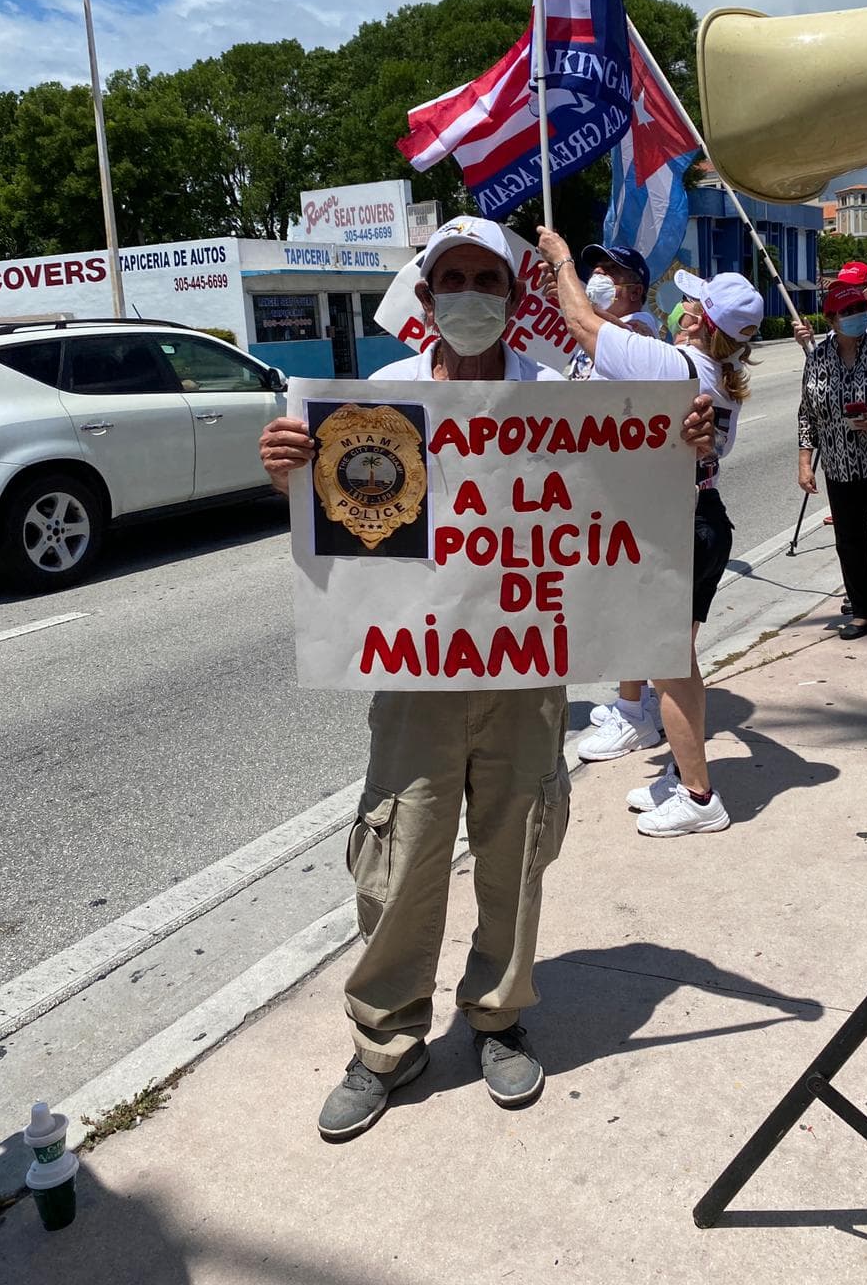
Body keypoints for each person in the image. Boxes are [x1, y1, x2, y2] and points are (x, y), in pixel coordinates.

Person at [259, 215, 717, 1137]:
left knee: (517, 850)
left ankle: (499, 1017)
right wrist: (288, 473)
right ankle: (385, 1040)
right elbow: (345, 518)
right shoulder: (380, 394)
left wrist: (683, 442)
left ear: (515, 299)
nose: (471, 294)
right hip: (416, 674)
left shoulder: (558, 394)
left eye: (489, 280)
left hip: (525, 671)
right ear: (425, 299)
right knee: (400, 853)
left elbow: (625, 491)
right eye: (453, 279)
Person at [538, 224, 763, 837]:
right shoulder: (716, 370)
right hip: (696, 518)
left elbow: (584, 324)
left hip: (678, 524)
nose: (682, 304)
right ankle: (682, 775)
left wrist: (561, 259)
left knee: (670, 665)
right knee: (668, 657)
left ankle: (698, 796)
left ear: (702, 321)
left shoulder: (674, 364)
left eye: (693, 301)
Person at [563, 243, 665, 755]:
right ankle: (637, 697)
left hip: (629, 496)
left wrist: (562, 266)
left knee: (627, 603)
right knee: (613, 602)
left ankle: (634, 715)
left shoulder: (637, 332)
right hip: (600, 490)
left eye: (609, 271)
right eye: (594, 269)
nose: (597, 276)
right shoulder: (597, 337)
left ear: (636, 290)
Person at [798, 280, 867, 639]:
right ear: (831, 319)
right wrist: (804, 461)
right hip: (838, 465)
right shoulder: (817, 358)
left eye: (860, 310)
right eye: (846, 312)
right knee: (848, 542)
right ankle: (863, 612)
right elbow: (807, 414)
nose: (856, 317)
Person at [564, 243, 658, 379]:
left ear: (636, 292)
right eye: (596, 266)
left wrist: (574, 300)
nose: (597, 271)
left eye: (612, 268)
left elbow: (625, 334)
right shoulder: (594, 325)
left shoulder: (643, 324)